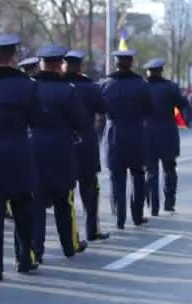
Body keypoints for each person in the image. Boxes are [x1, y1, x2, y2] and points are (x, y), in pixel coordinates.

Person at [0, 34, 39, 281]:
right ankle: (24, 259)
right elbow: (37, 118)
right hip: (18, 147)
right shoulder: (27, 84)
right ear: (13, 56)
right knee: (22, 206)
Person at [31, 45, 88, 261]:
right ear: (58, 65)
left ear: (41, 63)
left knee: (36, 203)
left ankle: (36, 249)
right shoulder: (68, 90)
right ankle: (68, 245)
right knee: (64, 201)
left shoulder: (31, 87)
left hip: (35, 148)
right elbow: (81, 121)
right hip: (62, 150)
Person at [99, 50, 152, 229]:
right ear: (131, 63)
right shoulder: (141, 84)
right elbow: (148, 109)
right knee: (138, 176)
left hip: (114, 133)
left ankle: (120, 218)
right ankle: (137, 216)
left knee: (117, 177)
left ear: (116, 63)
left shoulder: (105, 84)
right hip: (136, 133)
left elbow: (99, 109)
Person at [62, 50, 110, 241]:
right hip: (86, 140)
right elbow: (103, 107)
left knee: (66, 191)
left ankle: (71, 235)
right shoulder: (89, 86)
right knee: (89, 186)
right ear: (80, 67)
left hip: (64, 142)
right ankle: (92, 229)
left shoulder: (58, 85)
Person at [144, 58, 187, 216]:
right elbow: (183, 103)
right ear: (161, 71)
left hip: (148, 134)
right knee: (169, 170)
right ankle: (169, 203)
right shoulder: (171, 87)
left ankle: (153, 206)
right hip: (168, 133)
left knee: (151, 171)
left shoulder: (143, 87)